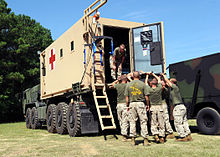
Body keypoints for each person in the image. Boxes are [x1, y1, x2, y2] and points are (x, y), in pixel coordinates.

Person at [162, 74, 192, 142]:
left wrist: (164, 76)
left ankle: (182, 136)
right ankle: (188, 135)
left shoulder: (175, 88)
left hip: (178, 107)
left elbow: (167, 82)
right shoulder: (175, 88)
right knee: (184, 122)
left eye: (169, 82)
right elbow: (166, 83)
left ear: (172, 83)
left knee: (178, 123)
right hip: (182, 107)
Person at [125, 71, 150, 146]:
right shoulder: (143, 84)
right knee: (143, 121)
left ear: (133, 76)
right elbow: (146, 96)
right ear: (139, 76)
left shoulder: (128, 85)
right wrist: (147, 105)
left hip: (132, 104)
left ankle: (133, 139)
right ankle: (145, 140)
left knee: (132, 121)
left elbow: (127, 97)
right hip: (141, 104)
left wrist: (127, 105)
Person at [144, 72, 165, 143]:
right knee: (161, 122)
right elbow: (159, 80)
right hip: (159, 106)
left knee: (153, 122)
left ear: (151, 84)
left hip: (152, 107)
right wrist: (153, 74)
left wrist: (147, 76)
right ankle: (162, 136)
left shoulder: (149, 90)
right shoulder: (159, 88)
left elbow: (146, 84)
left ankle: (155, 135)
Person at [111, 75, 129, 141]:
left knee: (121, 120)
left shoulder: (118, 86)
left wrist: (117, 80)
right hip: (125, 104)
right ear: (126, 80)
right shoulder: (127, 85)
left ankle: (123, 133)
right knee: (125, 120)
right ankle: (124, 135)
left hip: (119, 105)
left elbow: (112, 84)